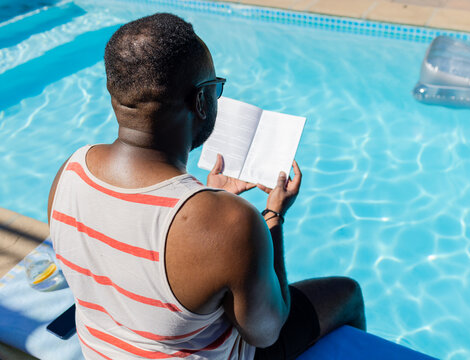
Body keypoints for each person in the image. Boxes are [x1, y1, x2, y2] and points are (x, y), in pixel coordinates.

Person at [47, 13, 365, 360]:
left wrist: (214, 202)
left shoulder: (70, 171)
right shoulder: (231, 223)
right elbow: (266, 332)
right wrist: (273, 216)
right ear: (201, 101)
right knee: (346, 293)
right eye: (216, 86)